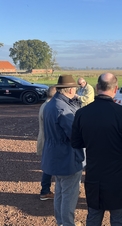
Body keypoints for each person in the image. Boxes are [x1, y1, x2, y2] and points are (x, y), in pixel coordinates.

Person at [71, 73, 122, 226]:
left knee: (93, 218)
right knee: (118, 221)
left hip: (95, 177)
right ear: (115, 89)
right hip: (119, 180)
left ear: (97, 88)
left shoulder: (82, 113)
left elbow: (76, 142)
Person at [41, 75, 84, 226]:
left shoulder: (52, 103)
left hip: (54, 155)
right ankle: (67, 223)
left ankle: (61, 222)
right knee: (68, 195)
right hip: (67, 157)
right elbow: (75, 135)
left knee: (60, 191)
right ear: (71, 89)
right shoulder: (63, 108)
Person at [37, 85, 56, 201]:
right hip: (49, 141)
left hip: (44, 139)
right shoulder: (50, 107)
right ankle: (45, 191)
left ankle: (45, 190)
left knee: (48, 166)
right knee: (50, 167)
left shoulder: (44, 105)